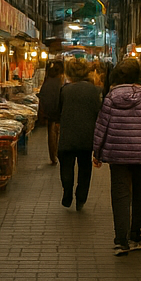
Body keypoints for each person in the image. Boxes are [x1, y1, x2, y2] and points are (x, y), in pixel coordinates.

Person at [92, 58, 141, 255]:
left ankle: (120, 241)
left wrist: (97, 152)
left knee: (120, 197)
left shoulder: (110, 98)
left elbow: (101, 127)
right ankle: (135, 236)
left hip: (117, 157)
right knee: (140, 196)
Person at [56, 58, 101, 211]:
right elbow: (98, 112)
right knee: (84, 166)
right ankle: (81, 197)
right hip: (86, 135)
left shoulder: (64, 90)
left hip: (67, 134)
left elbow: (59, 111)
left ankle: (67, 192)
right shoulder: (95, 90)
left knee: (66, 165)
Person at [37, 59, 64, 165]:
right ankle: (56, 153)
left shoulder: (47, 80)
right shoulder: (60, 82)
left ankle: (53, 156)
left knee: (50, 133)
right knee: (57, 132)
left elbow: (42, 95)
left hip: (48, 110)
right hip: (58, 110)